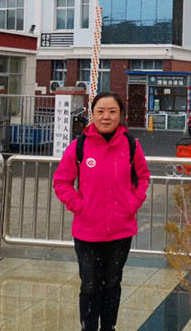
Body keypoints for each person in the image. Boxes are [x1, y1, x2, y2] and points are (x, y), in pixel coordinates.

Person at [54, 91, 150, 331]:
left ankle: (109, 327)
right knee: (89, 283)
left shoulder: (131, 145)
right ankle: (88, 327)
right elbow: (62, 182)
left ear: (120, 115)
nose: (106, 116)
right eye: (101, 111)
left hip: (120, 229)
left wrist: (132, 203)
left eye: (112, 111)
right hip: (87, 231)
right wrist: (80, 206)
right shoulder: (79, 147)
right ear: (93, 114)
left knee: (112, 282)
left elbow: (143, 177)